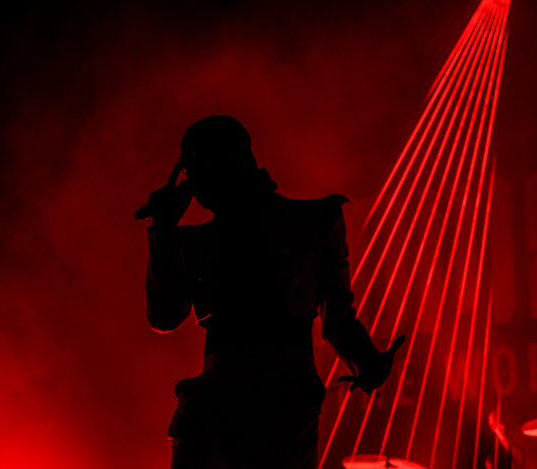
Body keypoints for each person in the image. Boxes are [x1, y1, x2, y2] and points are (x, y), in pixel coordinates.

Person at [139, 115, 405, 469]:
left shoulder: (311, 221)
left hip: (261, 411)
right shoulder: (312, 221)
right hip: (267, 409)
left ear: (230, 161)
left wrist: (165, 229)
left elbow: (164, 317)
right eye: (189, 169)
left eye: (195, 167)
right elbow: (164, 317)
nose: (194, 183)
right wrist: (164, 230)